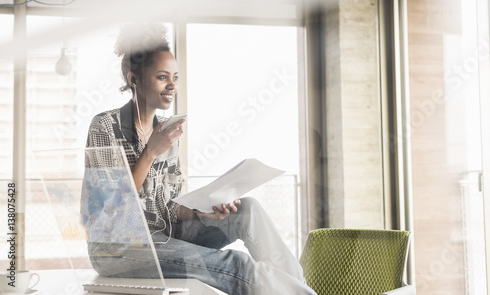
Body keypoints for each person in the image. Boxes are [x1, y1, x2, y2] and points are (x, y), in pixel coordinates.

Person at [82, 23, 317, 295]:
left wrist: (201, 211)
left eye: (176, 77)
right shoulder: (105, 126)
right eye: (162, 77)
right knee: (236, 263)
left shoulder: (166, 130)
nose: (172, 85)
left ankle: (302, 291)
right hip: (117, 248)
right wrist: (150, 153)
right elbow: (109, 206)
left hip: (165, 236)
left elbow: (168, 207)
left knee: (248, 210)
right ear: (134, 79)